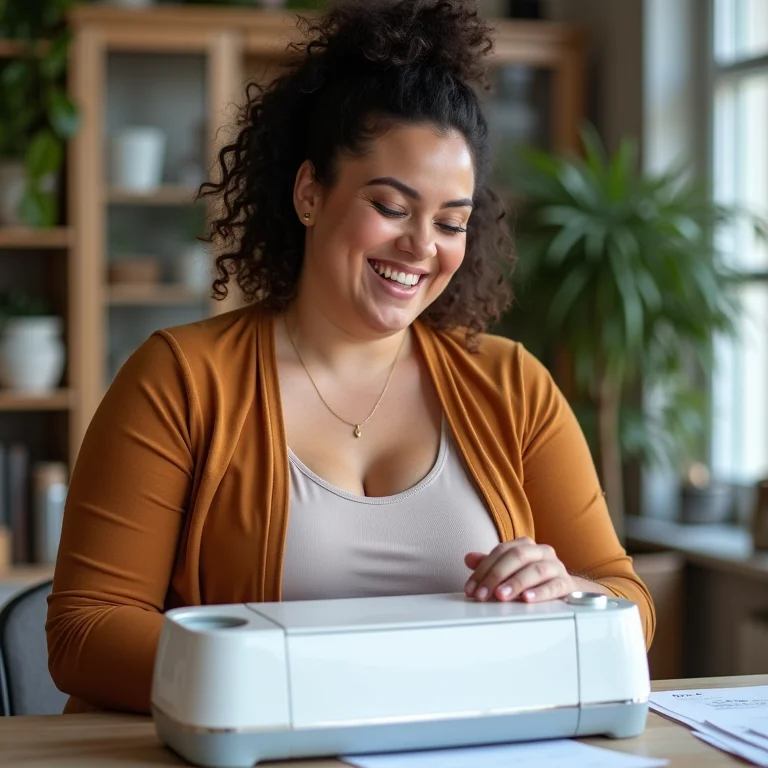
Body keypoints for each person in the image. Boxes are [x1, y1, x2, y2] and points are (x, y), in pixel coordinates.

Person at [46, 0, 655, 716]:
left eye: (450, 221)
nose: (423, 247)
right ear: (310, 192)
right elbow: (84, 633)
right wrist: (319, 681)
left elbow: (629, 603)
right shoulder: (180, 380)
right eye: (393, 208)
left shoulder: (512, 383)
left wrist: (571, 592)